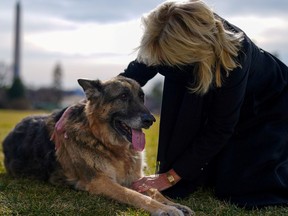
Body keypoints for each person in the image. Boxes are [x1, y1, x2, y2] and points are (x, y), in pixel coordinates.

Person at [117, 0, 288, 209]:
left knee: (243, 188)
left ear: (191, 52)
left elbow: (220, 127)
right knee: (204, 175)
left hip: (269, 103)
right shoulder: (162, 33)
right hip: (227, 98)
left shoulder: (235, 55)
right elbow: (133, 75)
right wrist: (89, 103)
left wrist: (169, 177)